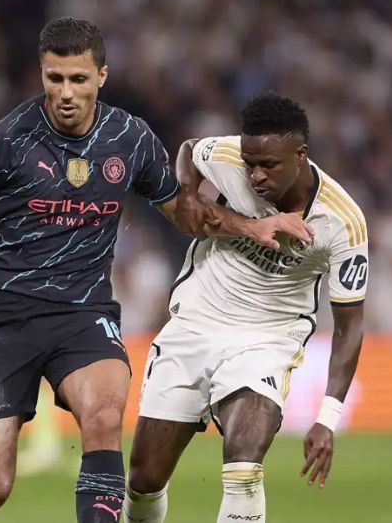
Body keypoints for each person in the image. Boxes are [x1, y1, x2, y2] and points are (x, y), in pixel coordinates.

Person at [0, 19, 311, 523]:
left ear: (101, 76)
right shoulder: (6, 140)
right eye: (55, 78)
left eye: (78, 79)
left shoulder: (129, 137)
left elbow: (185, 213)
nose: (66, 92)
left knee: (105, 417)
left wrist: (250, 226)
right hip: (2, 318)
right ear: (41, 76)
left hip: (82, 315)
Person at [123, 92, 368, 523]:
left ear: (301, 155)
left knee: (244, 460)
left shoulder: (342, 222)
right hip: (195, 323)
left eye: (268, 165)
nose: (254, 175)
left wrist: (327, 419)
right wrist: (187, 192)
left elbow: (349, 327)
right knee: (143, 480)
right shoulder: (228, 156)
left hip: (267, 339)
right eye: (249, 162)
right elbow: (189, 150)